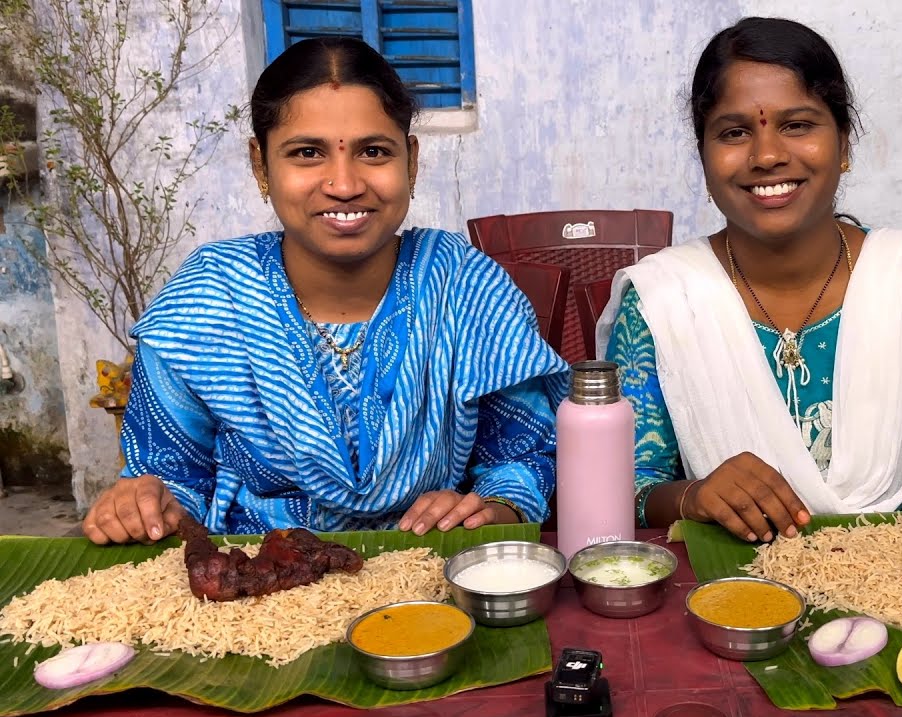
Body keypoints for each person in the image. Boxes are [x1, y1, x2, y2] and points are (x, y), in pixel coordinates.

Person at [83, 37, 568, 545]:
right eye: (307, 153)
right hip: (252, 596)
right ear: (260, 165)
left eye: (374, 151)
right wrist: (144, 503)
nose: (343, 184)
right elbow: (169, 479)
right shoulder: (208, 301)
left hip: (430, 583)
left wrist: (492, 510)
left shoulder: (466, 288)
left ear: (412, 161)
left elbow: (523, 460)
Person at [599, 17, 902, 543]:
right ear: (704, 156)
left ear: (844, 144)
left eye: (798, 125)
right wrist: (694, 496)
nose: (767, 156)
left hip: (896, 585)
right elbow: (625, 489)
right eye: (735, 132)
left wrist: (879, 579)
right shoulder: (663, 303)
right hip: (727, 595)